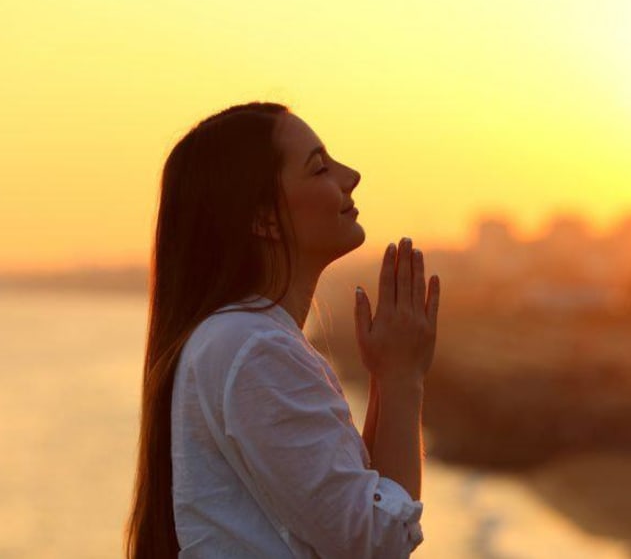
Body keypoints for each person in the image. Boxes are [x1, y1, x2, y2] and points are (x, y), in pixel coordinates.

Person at [124, 101, 440, 558]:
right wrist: (402, 378)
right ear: (263, 218)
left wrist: (389, 378)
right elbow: (378, 541)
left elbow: (355, 512)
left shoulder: (240, 339)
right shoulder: (254, 346)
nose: (350, 175)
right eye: (319, 169)